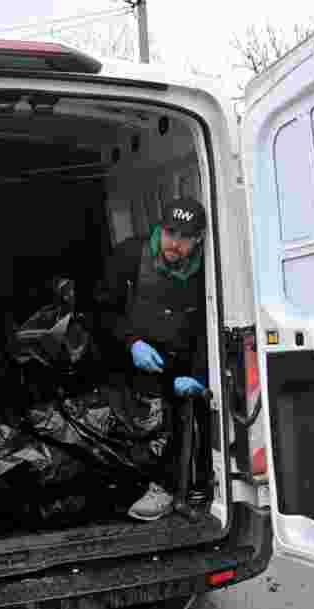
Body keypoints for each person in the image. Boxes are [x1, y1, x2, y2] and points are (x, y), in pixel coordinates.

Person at [94, 197, 210, 521]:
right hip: (137, 359)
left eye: (185, 237)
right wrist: (131, 343)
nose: (175, 243)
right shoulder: (131, 255)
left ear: (199, 239)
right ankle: (138, 483)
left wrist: (199, 374)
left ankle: (175, 488)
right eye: (170, 233)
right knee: (140, 425)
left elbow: (208, 324)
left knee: (189, 421)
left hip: (183, 361)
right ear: (161, 228)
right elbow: (103, 310)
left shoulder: (208, 269)